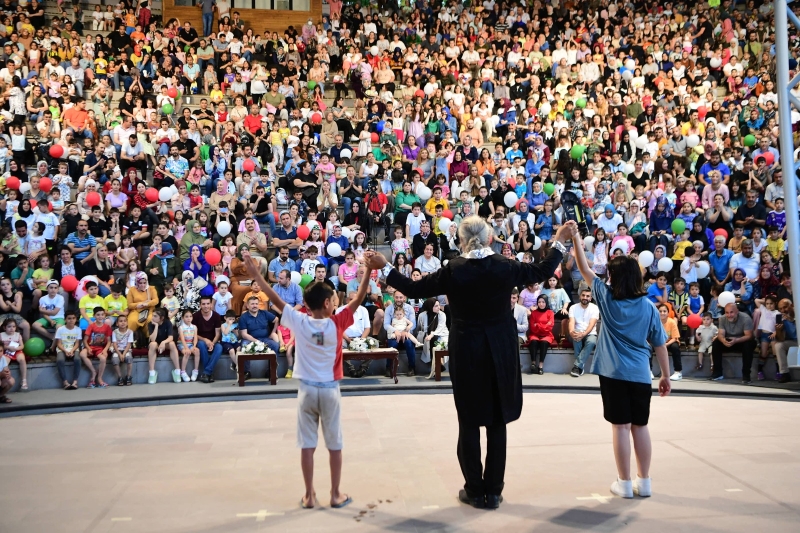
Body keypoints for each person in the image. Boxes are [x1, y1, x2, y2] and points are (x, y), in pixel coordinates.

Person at [364, 216, 575, 509]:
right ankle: (495, 491)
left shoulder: (454, 269)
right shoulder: (505, 265)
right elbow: (540, 270)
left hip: (467, 348)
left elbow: (414, 290)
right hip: (500, 347)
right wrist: (559, 239)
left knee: (469, 418)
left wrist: (384, 266)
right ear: (489, 238)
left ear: (461, 241)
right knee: (498, 419)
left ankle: (474, 490)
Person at [241, 248, 375, 509]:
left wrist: (257, 275)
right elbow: (359, 298)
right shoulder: (336, 324)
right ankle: (335, 494)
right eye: (334, 299)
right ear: (327, 304)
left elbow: (275, 300)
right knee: (334, 444)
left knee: (307, 445)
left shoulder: (300, 322)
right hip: (329, 390)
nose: (337, 302)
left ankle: (309, 495)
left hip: (306, 392)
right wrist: (368, 268)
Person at [568, 222, 671, 499]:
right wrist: (665, 376)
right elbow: (660, 343)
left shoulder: (606, 298)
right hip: (640, 374)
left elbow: (585, 267)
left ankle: (624, 483)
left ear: (615, 277)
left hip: (613, 373)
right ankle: (644, 482)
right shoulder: (649, 307)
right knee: (641, 426)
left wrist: (577, 238)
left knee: (621, 427)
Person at [711, 303, 756, 384]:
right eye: (727, 312)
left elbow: (749, 336)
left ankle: (746, 375)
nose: (729, 315)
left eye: (731, 312)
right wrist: (723, 340)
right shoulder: (722, 318)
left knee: (748, 344)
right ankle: (717, 373)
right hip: (729, 340)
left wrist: (736, 340)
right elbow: (720, 334)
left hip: (742, 340)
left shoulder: (746, 318)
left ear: (737, 311)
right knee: (716, 343)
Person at [568, 289, 599, 377]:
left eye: (587, 296)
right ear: (580, 296)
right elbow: (571, 322)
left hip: (590, 333)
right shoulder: (573, 307)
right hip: (577, 332)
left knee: (592, 341)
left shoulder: (595, 308)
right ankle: (579, 366)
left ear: (591, 298)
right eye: (583, 295)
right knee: (576, 334)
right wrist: (571, 332)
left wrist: (584, 334)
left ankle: (577, 366)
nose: (585, 297)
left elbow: (592, 324)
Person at [527, 295, 553, 375]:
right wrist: (544, 325)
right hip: (535, 334)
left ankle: (541, 366)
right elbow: (532, 327)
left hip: (547, 335)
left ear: (546, 303)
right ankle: (533, 363)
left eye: (543, 302)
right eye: (539, 302)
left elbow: (549, 328)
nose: (541, 304)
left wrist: (538, 325)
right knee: (533, 341)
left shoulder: (550, 313)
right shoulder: (534, 313)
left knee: (544, 343)